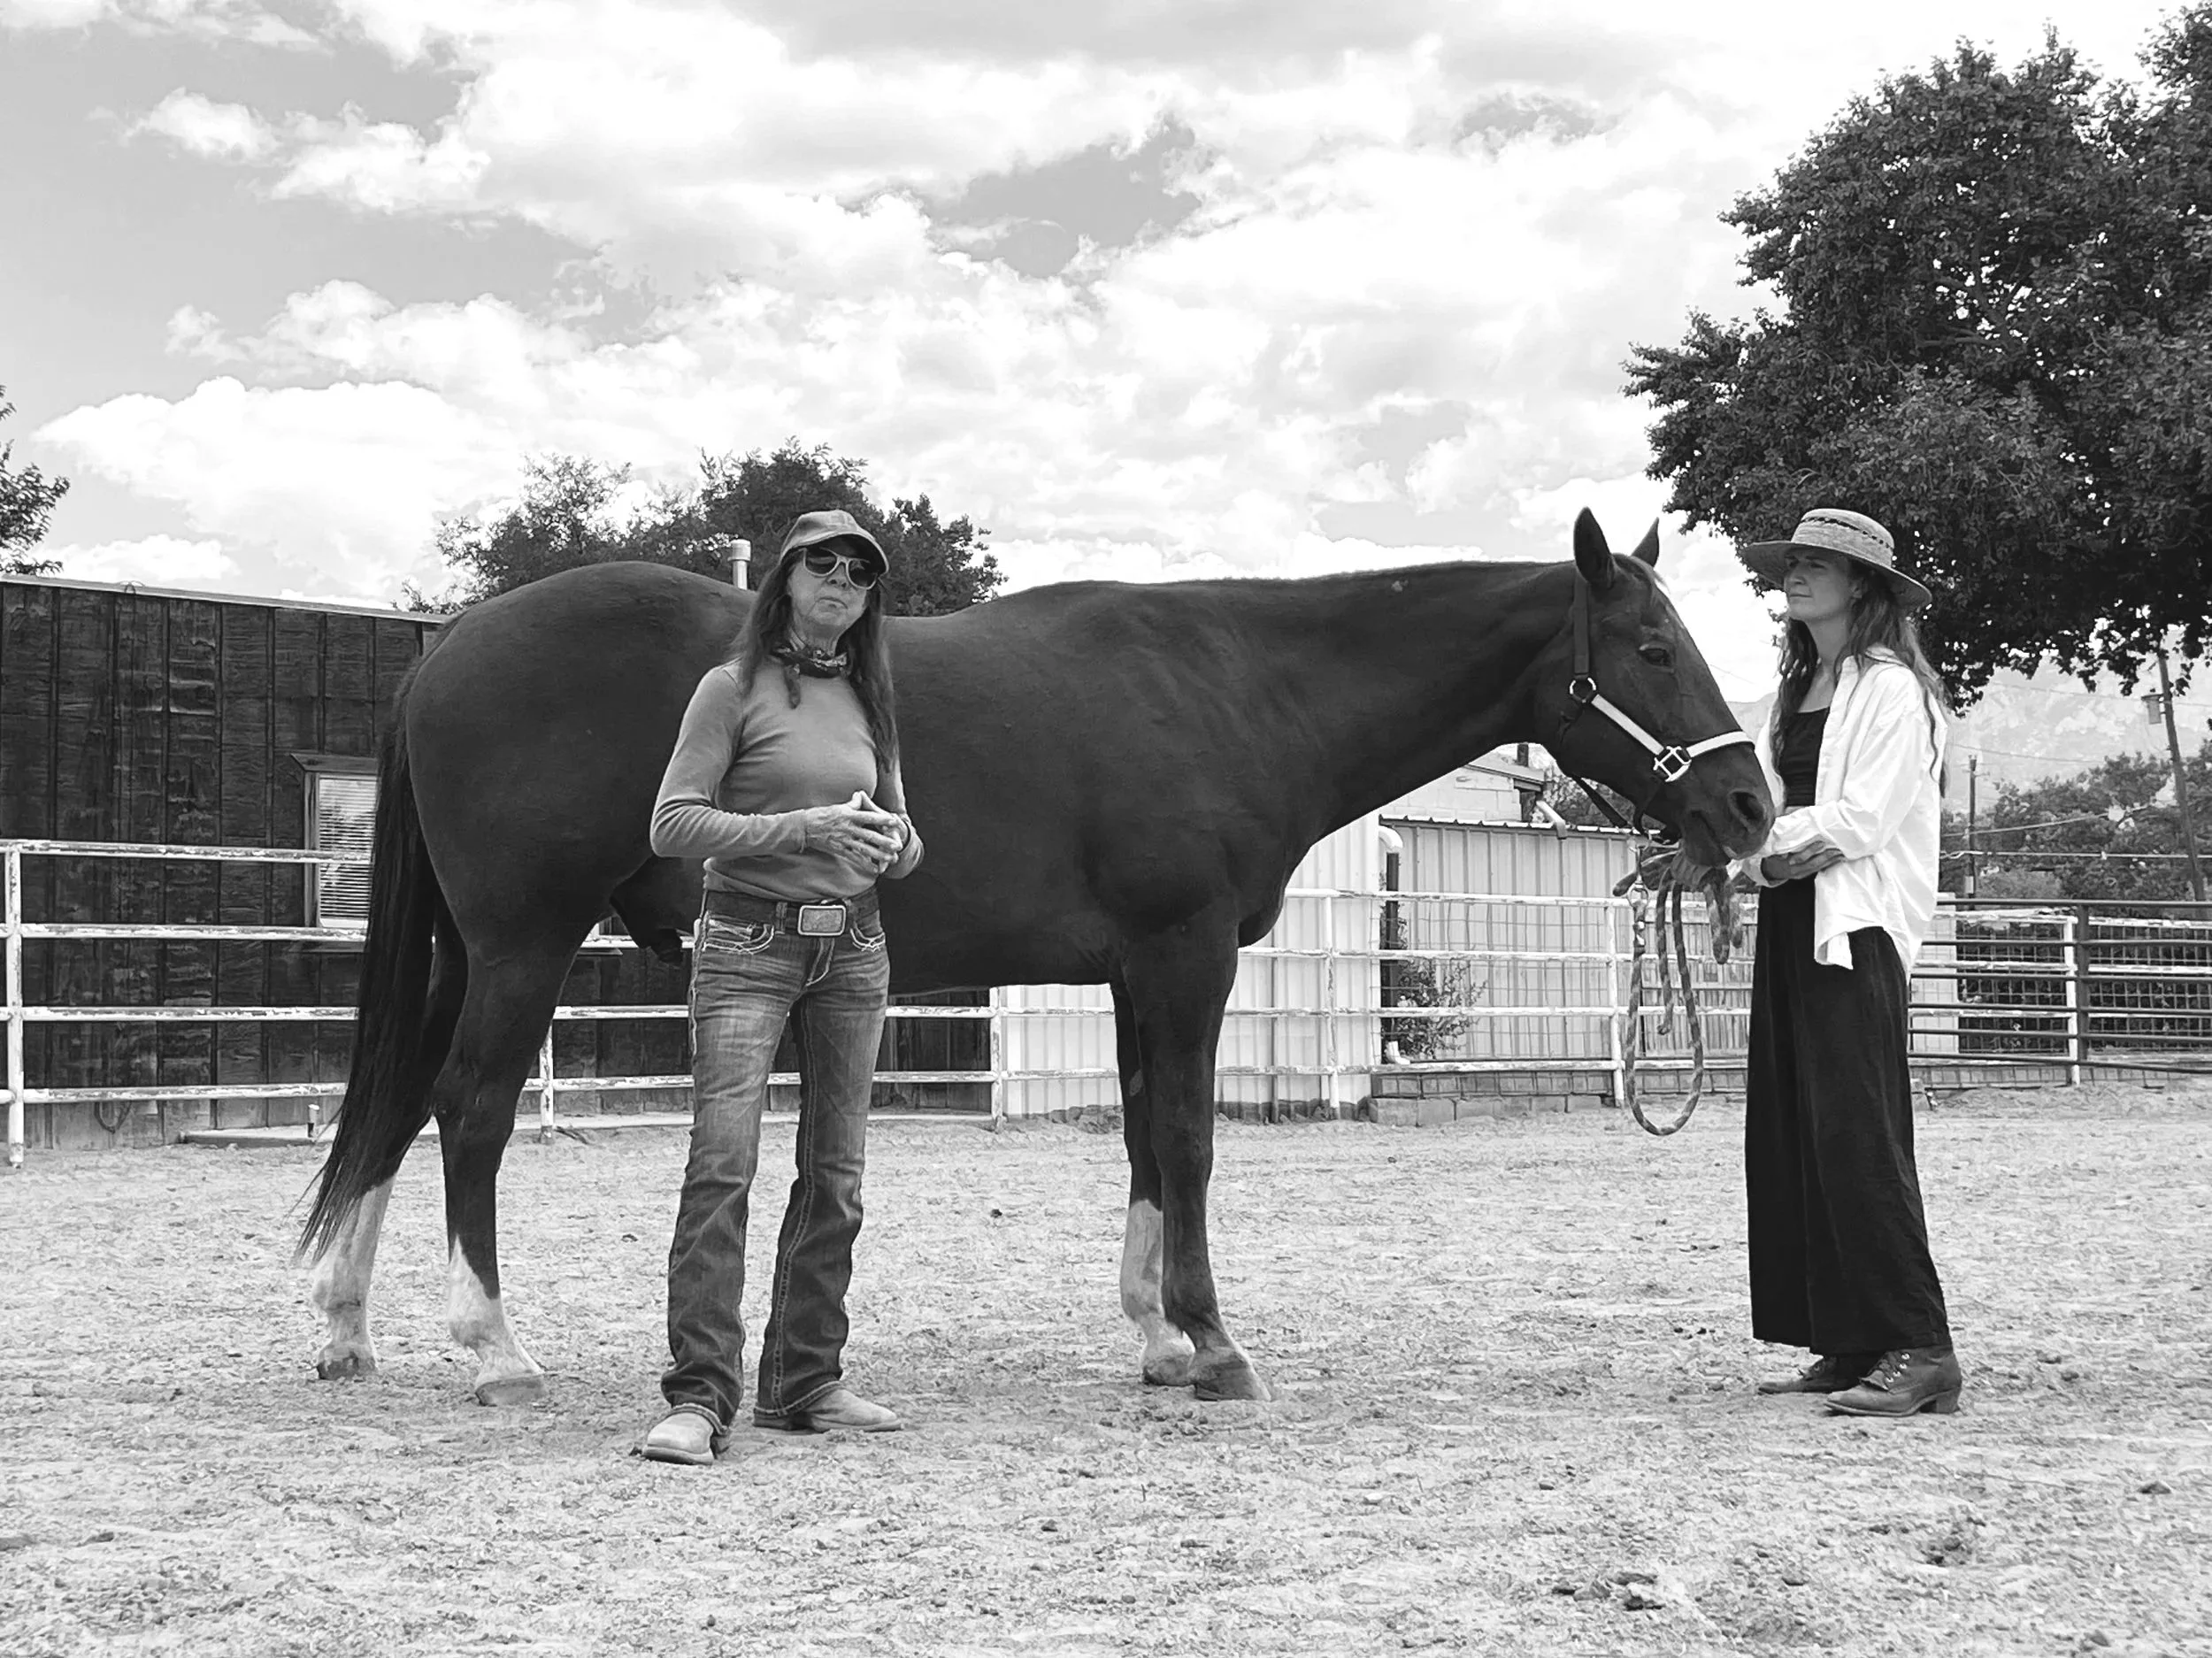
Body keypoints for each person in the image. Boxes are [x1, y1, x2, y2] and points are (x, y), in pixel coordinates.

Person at [636, 509, 924, 1465]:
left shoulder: (872, 700)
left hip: (855, 949)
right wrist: (804, 829)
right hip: (747, 945)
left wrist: (894, 841)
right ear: (788, 578)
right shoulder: (730, 688)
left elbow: (901, 831)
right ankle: (697, 1397)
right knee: (723, 1167)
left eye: (861, 570)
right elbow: (673, 825)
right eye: (823, 563)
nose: (842, 578)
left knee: (836, 1175)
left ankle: (807, 1380)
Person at [1732, 507, 1962, 1418]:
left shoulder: (1894, 689)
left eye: (1816, 563)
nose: (1794, 575)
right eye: (1791, 562)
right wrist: (1756, 854)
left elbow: (1861, 819)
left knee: (1859, 1136)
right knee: (1798, 1130)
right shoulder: (1797, 691)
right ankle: (1850, 1336)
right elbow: (1761, 816)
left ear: (1860, 585)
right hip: (1794, 917)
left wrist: (1767, 850)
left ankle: (1924, 1345)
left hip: (1853, 930)